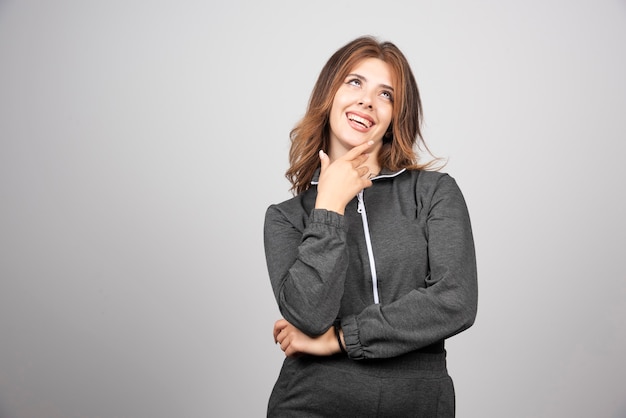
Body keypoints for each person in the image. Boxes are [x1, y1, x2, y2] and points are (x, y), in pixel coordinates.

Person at [263, 35, 478, 417]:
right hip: (310, 403)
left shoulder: (433, 193)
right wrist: (329, 205)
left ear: (396, 115)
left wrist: (340, 339)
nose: (366, 100)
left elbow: (455, 302)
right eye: (355, 82)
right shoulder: (285, 217)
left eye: (386, 94)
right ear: (330, 94)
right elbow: (309, 315)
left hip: (418, 404)